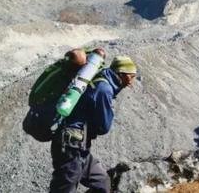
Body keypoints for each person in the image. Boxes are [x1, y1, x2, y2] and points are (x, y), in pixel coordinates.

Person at [49, 55, 138, 193]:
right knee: (65, 188)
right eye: (131, 76)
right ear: (121, 73)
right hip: (70, 146)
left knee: (102, 182)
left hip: (80, 147)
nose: (131, 81)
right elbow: (104, 127)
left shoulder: (100, 78)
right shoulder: (104, 89)